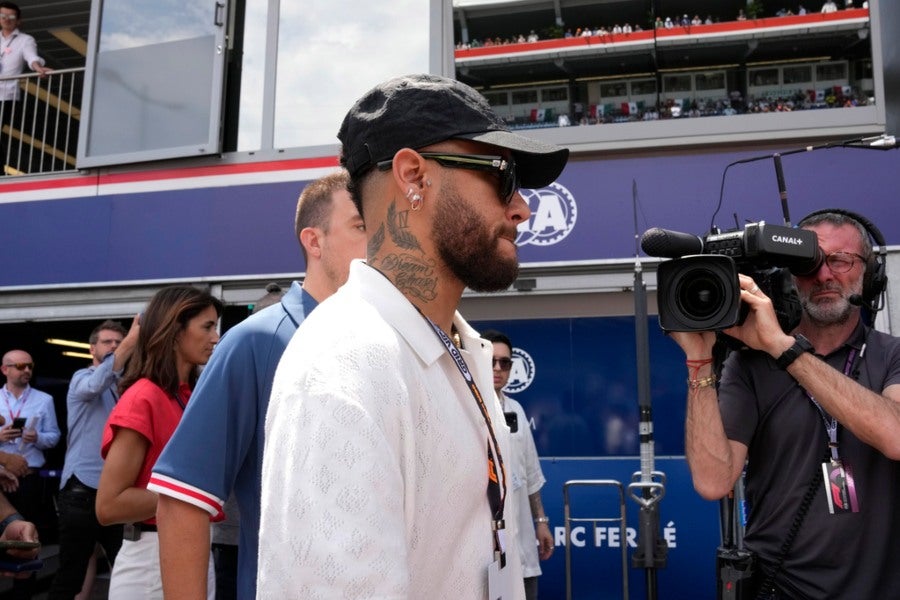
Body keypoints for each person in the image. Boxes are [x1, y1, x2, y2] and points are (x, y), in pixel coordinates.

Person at [256, 73, 569, 598]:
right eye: (502, 175)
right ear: (412, 176)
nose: (521, 208)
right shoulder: (343, 364)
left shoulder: (459, 347)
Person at [149, 170, 366, 600]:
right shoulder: (257, 339)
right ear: (314, 241)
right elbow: (182, 500)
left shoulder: (382, 342)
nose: (377, 241)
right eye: (361, 226)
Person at [671, 210, 900, 598]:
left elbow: (895, 435)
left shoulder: (891, 355)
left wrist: (782, 346)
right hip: (778, 588)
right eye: (808, 262)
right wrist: (699, 362)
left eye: (840, 260)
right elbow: (712, 482)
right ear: (790, 275)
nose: (824, 276)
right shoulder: (749, 364)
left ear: (870, 273)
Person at [95, 286, 223, 600]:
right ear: (174, 330)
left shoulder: (187, 396)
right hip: (151, 558)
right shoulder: (143, 397)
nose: (216, 338)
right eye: (207, 327)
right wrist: (189, 497)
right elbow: (109, 505)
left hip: (189, 546)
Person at [48, 318, 139, 600]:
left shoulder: (126, 385)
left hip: (116, 493)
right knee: (70, 577)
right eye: (107, 342)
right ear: (92, 350)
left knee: (128, 570)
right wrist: (128, 343)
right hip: (81, 493)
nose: (113, 346)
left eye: (117, 342)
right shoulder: (82, 378)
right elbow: (93, 386)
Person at [482, 330, 553, 600]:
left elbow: (530, 474)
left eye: (505, 362)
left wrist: (542, 522)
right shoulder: (464, 408)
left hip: (521, 539)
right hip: (483, 547)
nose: (498, 368)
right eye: (492, 361)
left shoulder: (517, 411)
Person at [0, 1, 49, 175]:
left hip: (5, 95)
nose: (6, 19)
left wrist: (37, 67)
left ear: (18, 21)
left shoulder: (25, 40)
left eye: (11, 16)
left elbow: (31, 57)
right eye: (3, 15)